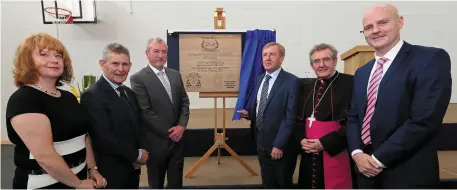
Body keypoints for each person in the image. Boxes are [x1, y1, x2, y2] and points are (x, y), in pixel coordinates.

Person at [347, 4, 452, 188]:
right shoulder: (362, 72)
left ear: (400, 22)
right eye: (369, 27)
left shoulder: (429, 59)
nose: (376, 30)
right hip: (364, 172)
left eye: (383, 22)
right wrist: (356, 153)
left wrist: (377, 159)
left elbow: (424, 120)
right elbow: (354, 117)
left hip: (408, 171)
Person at [5, 32, 106, 189]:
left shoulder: (68, 97)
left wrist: (92, 169)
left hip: (77, 177)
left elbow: (83, 137)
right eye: (44, 54)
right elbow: (45, 156)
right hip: (44, 184)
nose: (54, 60)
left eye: (58, 56)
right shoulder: (24, 100)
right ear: (27, 60)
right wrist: (78, 184)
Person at [80, 43, 147, 189]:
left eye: (125, 64)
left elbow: (135, 127)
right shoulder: (92, 96)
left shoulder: (128, 93)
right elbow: (104, 138)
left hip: (132, 170)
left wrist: (137, 155)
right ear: (102, 64)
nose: (121, 69)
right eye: (115, 63)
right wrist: (137, 155)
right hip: (110, 174)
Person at [237, 42, 300, 188]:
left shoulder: (292, 82)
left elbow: (290, 117)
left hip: (280, 145)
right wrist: (250, 114)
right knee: (267, 183)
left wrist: (279, 145)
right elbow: (262, 106)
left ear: (282, 58)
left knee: (283, 183)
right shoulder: (260, 79)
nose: (267, 58)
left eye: (272, 54)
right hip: (261, 143)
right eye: (264, 55)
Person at [130, 37, 190, 189]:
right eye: (156, 51)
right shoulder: (138, 78)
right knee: (156, 183)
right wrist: (171, 132)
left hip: (178, 140)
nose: (160, 55)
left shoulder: (175, 75)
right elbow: (145, 112)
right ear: (147, 54)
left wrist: (181, 127)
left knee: (176, 183)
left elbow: (184, 102)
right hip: (156, 143)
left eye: (164, 52)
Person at [296, 43, 355, 189]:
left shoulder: (351, 83)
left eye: (326, 59)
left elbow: (355, 121)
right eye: (316, 61)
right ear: (312, 65)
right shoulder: (307, 87)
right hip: (309, 152)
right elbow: (297, 120)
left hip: (337, 150)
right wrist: (302, 139)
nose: (321, 65)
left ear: (335, 61)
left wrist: (326, 143)